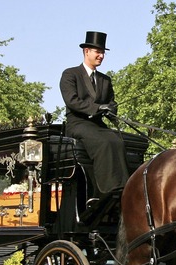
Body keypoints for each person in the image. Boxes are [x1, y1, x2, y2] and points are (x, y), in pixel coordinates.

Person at [59, 31, 129, 200]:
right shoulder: (70, 74)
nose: (101, 56)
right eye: (98, 52)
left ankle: (123, 187)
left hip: (98, 126)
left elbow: (112, 103)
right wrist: (98, 107)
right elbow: (72, 101)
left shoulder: (105, 80)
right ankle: (106, 190)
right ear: (86, 51)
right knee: (104, 142)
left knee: (118, 141)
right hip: (78, 124)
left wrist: (110, 111)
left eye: (103, 52)